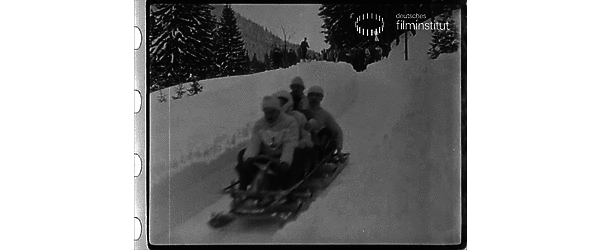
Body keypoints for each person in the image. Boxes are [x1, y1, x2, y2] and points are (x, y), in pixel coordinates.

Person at [235, 95, 299, 191]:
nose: (269, 116)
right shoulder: (259, 124)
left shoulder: (289, 122)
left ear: (278, 110)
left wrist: (285, 162)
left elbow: (289, 144)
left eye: (272, 112)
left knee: (298, 153)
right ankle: (244, 185)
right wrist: (248, 158)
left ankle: (290, 187)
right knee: (242, 154)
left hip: (282, 157)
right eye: (266, 112)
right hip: (266, 155)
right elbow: (254, 143)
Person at [273, 90, 314, 188]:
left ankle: (291, 185)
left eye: (282, 103)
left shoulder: (299, 117)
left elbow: (307, 136)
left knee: (297, 154)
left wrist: (301, 143)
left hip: (296, 148)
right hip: (278, 150)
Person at [305, 86, 344, 161]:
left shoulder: (325, 115)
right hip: (301, 138)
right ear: (308, 97)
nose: (314, 98)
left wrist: (339, 150)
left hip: (315, 143)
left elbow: (338, 131)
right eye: (312, 95)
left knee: (327, 132)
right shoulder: (301, 110)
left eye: (317, 95)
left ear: (321, 98)